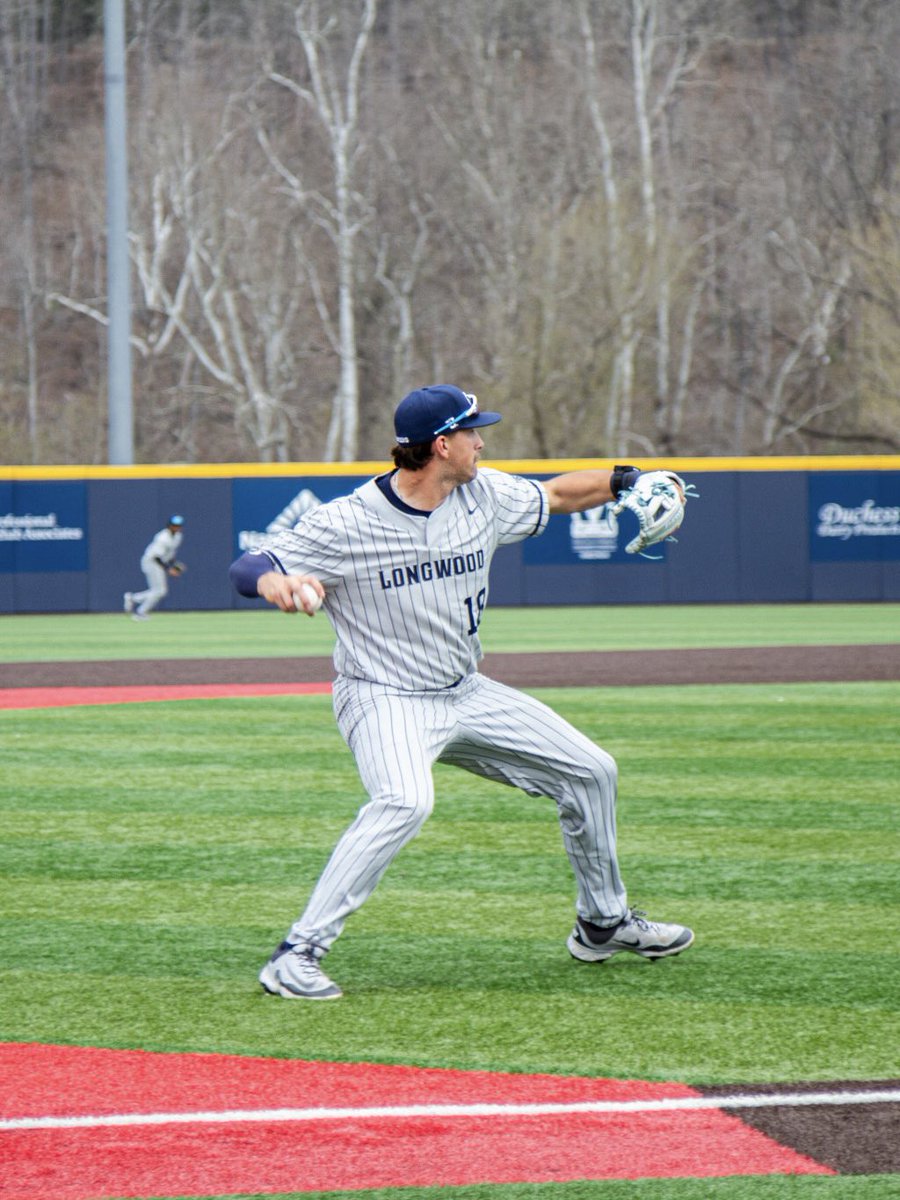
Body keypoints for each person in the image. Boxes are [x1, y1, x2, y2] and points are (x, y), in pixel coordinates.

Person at [229, 385, 694, 1000]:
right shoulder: (345, 522)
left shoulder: (483, 494)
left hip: (465, 691)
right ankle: (296, 955)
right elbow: (249, 565)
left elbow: (556, 495)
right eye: (472, 431)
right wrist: (275, 584)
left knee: (591, 771)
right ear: (441, 445)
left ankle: (602, 923)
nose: (481, 441)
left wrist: (625, 479)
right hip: (385, 696)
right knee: (404, 801)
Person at [124, 515, 185, 620]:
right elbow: (157, 557)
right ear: (169, 526)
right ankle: (140, 612)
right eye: (174, 525)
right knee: (160, 591)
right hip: (151, 562)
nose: (176, 527)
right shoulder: (162, 537)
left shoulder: (178, 536)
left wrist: (175, 564)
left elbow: (169, 554)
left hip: (159, 562)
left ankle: (132, 598)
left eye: (178, 526)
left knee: (158, 591)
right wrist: (169, 569)